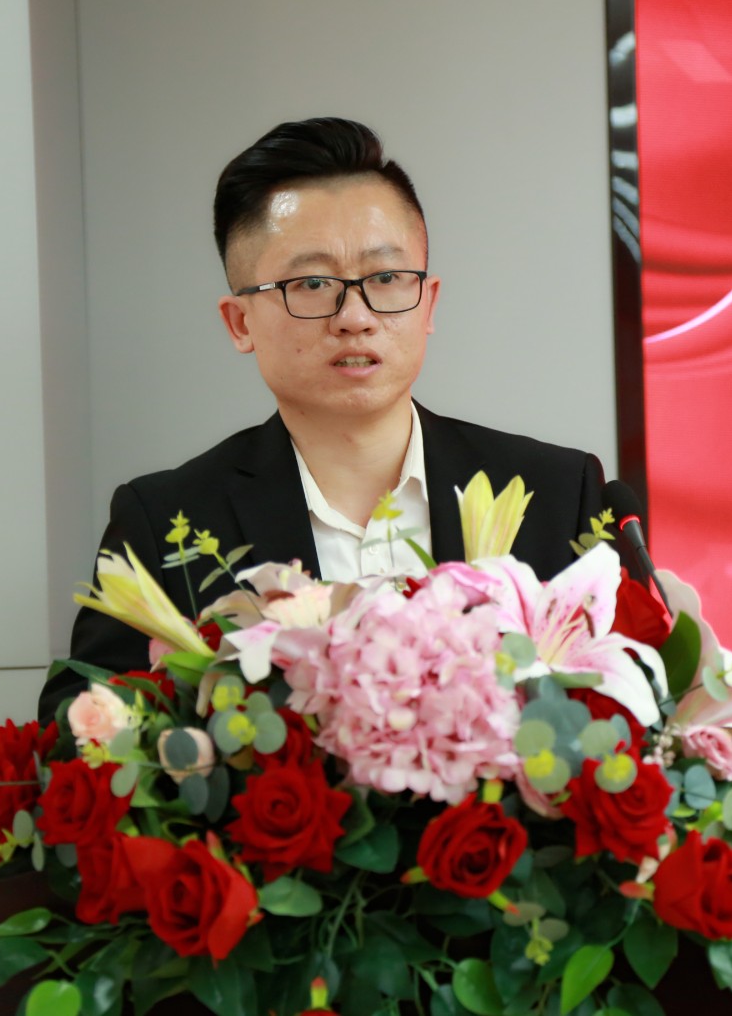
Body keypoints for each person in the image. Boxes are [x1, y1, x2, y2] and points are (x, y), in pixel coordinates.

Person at [39, 117, 605, 722]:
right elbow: (81, 732)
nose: (355, 317)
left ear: (428, 303)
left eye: (386, 278)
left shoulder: (558, 492)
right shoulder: (165, 522)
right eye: (311, 283)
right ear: (240, 323)